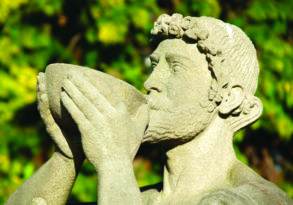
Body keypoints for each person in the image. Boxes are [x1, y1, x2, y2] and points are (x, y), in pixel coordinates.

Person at [6, 14, 289, 205]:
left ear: (229, 97)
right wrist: (68, 155)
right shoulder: (140, 197)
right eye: (154, 67)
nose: (150, 83)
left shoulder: (255, 199)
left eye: (175, 67)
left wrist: (114, 162)